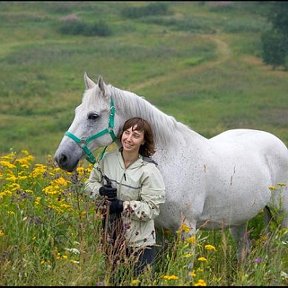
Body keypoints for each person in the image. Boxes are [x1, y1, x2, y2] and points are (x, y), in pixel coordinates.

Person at [84, 117, 166, 280]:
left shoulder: (149, 171)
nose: (129, 138)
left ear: (143, 141)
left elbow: (152, 209)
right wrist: (100, 190)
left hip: (140, 244)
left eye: (136, 135)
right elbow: (88, 185)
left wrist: (122, 206)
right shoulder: (107, 160)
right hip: (110, 239)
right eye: (126, 133)